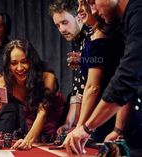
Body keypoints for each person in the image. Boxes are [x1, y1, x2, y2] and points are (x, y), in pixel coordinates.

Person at [63, 0, 142, 155]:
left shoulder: (132, 17)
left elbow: (99, 86)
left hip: (113, 117)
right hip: (106, 115)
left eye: (90, 2)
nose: (81, 9)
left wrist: (83, 127)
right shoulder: (101, 34)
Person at [0, 39, 66, 149]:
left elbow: (43, 111)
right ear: (8, 65)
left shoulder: (48, 78)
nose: (19, 68)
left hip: (59, 125)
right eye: (14, 63)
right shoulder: (3, 83)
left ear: (32, 61)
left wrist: (28, 140)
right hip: (34, 130)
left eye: (24, 61)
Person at [49, 0, 90, 135]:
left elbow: (94, 87)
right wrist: (69, 122)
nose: (61, 29)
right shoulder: (76, 40)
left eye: (64, 22)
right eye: (58, 25)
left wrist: (81, 125)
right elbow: (79, 87)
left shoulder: (93, 35)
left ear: (79, 17)